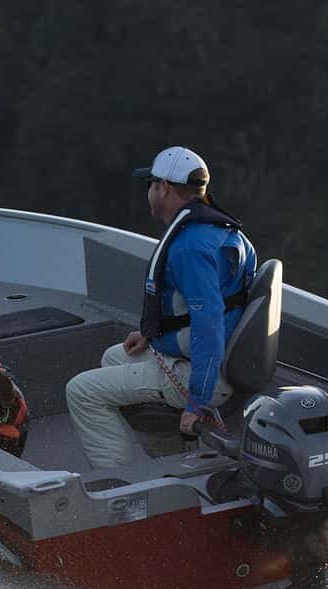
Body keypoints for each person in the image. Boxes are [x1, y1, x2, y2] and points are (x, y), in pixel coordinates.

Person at [65, 146, 257, 469]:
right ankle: (172, 461)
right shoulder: (222, 232)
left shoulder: (189, 249)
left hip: (205, 374)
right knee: (113, 357)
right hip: (217, 358)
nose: (149, 192)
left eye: (151, 184)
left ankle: (120, 484)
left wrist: (196, 403)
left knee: (80, 391)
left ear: (164, 188)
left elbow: (209, 326)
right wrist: (150, 334)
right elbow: (213, 310)